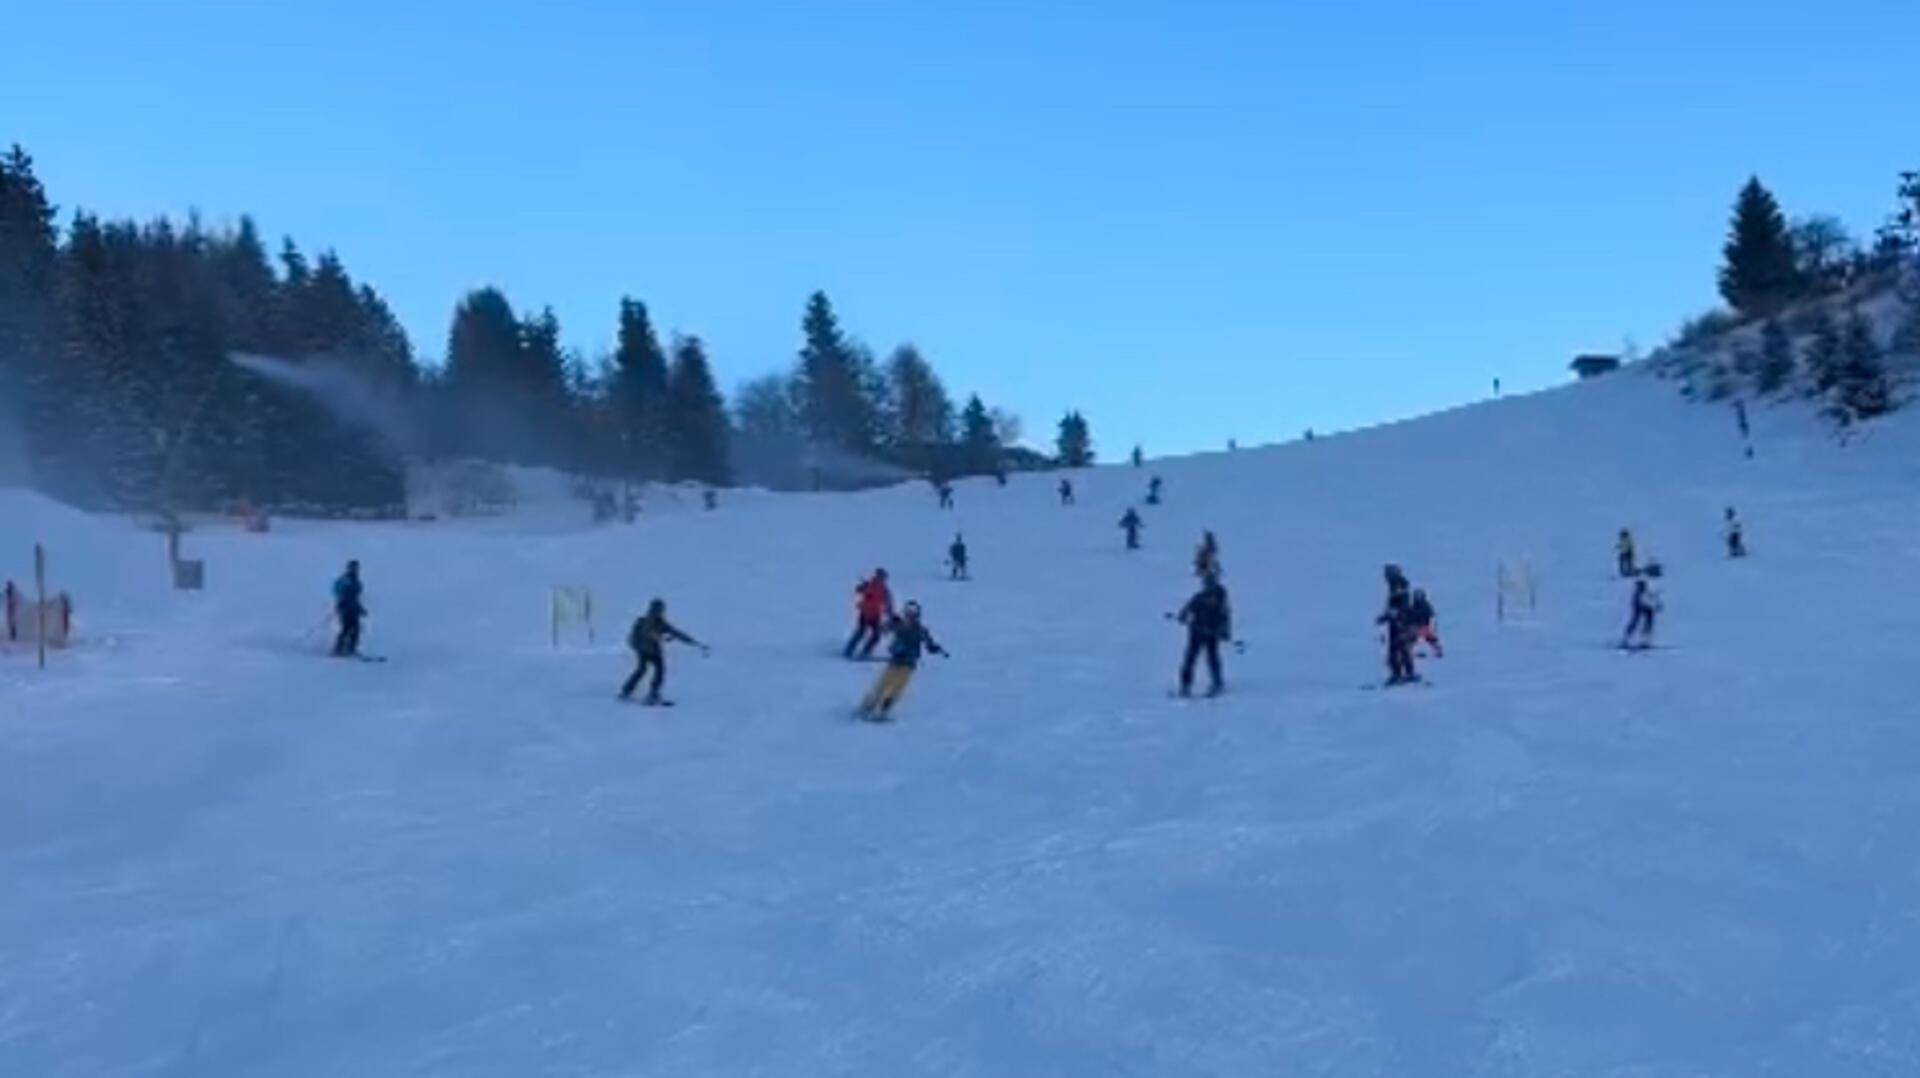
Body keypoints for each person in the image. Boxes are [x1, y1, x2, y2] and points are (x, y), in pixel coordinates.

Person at [858, 600, 947, 720]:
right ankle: (868, 706)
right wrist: (888, 624)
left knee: (896, 688)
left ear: (917, 616)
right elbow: (885, 629)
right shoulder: (899, 625)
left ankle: (884, 709)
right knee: (882, 684)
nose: (909, 618)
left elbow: (928, 644)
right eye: (908, 615)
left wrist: (935, 648)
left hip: (908, 665)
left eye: (912, 616)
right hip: (895, 661)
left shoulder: (920, 630)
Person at [619, 598, 707, 704]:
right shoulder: (649, 620)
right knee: (653, 670)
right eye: (660, 609)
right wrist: (661, 638)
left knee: (646, 670)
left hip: (647, 650)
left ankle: (629, 690)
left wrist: (693, 642)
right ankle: (649, 693)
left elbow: (676, 632)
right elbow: (648, 632)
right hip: (646, 649)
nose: (661, 611)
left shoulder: (659, 622)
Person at [1176, 575, 1232, 697]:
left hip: (1211, 632)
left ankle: (1217, 682)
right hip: (1197, 632)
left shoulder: (1220, 598)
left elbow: (1225, 616)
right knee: (1192, 657)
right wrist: (1183, 616)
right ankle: (1186, 685)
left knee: (1211, 658)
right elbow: (1186, 611)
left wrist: (1224, 631)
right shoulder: (1199, 597)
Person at [1377, 571, 1418, 685]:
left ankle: (1400, 674)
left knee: (1399, 650)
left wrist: (1390, 615)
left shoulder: (1399, 588)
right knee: (1400, 650)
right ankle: (1403, 673)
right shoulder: (1397, 588)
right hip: (1397, 624)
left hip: (1402, 624)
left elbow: (1400, 608)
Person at [845, 569, 894, 659]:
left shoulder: (884, 590)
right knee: (861, 632)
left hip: (876, 615)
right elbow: (858, 590)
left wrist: (890, 614)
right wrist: (864, 587)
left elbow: (888, 603)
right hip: (865, 613)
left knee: (876, 635)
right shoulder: (870, 585)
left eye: (883, 577)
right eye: (880, 576)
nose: (882, 579)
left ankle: (865, 652)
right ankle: (848, 650)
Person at [1620, 567, 1663, 650]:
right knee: (1637, 620)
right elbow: (1646, 597)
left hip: (1644, 605)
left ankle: (1643, 639)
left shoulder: (1649, 585)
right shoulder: (1643, 586)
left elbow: (1652, 596)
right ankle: (1630, 638)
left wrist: (1656, 604)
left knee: (1645, 620)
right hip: (1640, 605)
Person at [331, 560, 365, 657]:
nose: (355, 570)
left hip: (354, 609)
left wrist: (360, 608)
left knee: (356, 629)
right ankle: (338, 649)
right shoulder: (345, 580)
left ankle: (351, 649)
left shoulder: (357, 582)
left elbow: (356, 597)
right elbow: (338, 592)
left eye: (356, 568)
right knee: (346, 628)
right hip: (345, 608)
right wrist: (341, 603)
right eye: (353, 568)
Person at [1408, 588, 1443, 658]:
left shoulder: (1426, 605)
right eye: (1417, 596)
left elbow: (1430, 613)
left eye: (1419, 596)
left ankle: (1437, 649)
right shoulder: (1414, 606)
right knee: (1416, 637)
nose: (1418, 598)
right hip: (1417, 625)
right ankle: (1412, 651)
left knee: (1427, 637)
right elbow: (1409, 614)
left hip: (1424, 625)